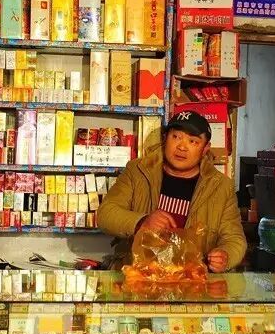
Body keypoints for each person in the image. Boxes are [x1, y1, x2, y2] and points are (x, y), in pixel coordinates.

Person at [97, 110, 246, 271]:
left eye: (193, 141)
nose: (182, 147)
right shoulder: (138, 171)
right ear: (165, 138)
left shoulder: (221, 186)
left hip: (191, 279)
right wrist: (141, 222)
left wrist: (225, 256)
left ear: (205, 148)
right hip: (139, 276)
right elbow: (106, 214)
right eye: (176, 137)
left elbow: (234, 238)